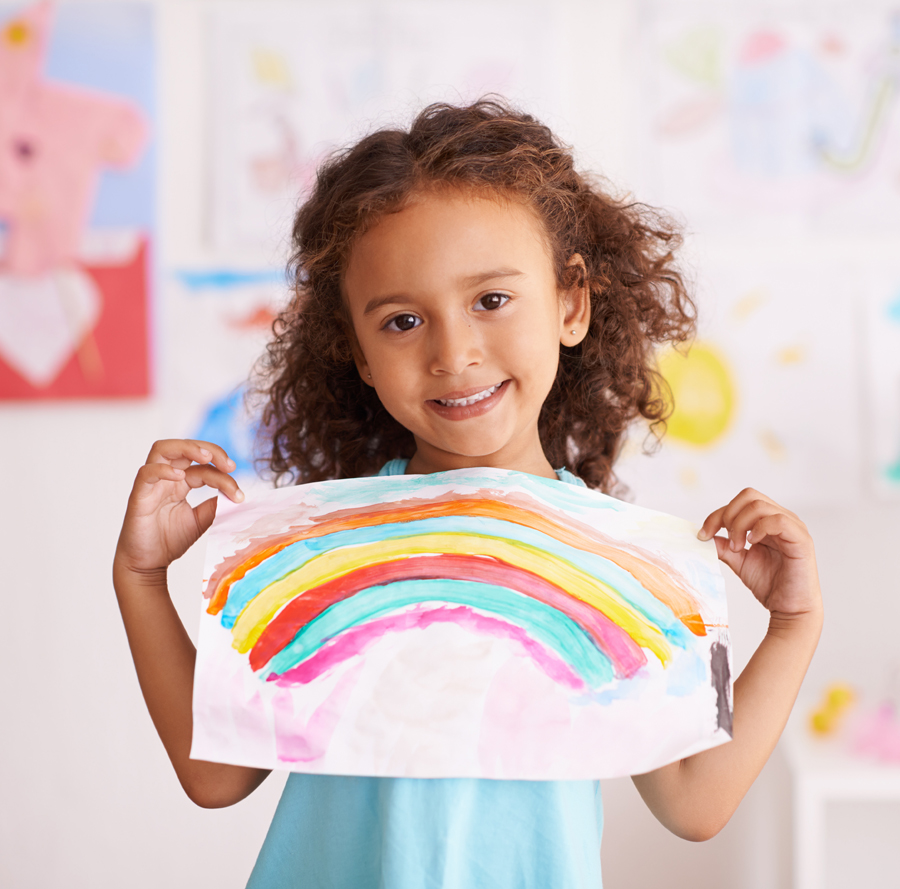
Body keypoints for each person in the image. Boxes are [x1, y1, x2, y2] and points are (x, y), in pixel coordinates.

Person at [113, 99, 823, 888]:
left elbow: (696, 801)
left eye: (490, 300)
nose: (453, 353)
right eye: (403, 320)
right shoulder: (318, 547)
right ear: (356, 349)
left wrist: (793, 625)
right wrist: (141, 580)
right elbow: (215, 778)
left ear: (571, 302)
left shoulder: (618, 562)